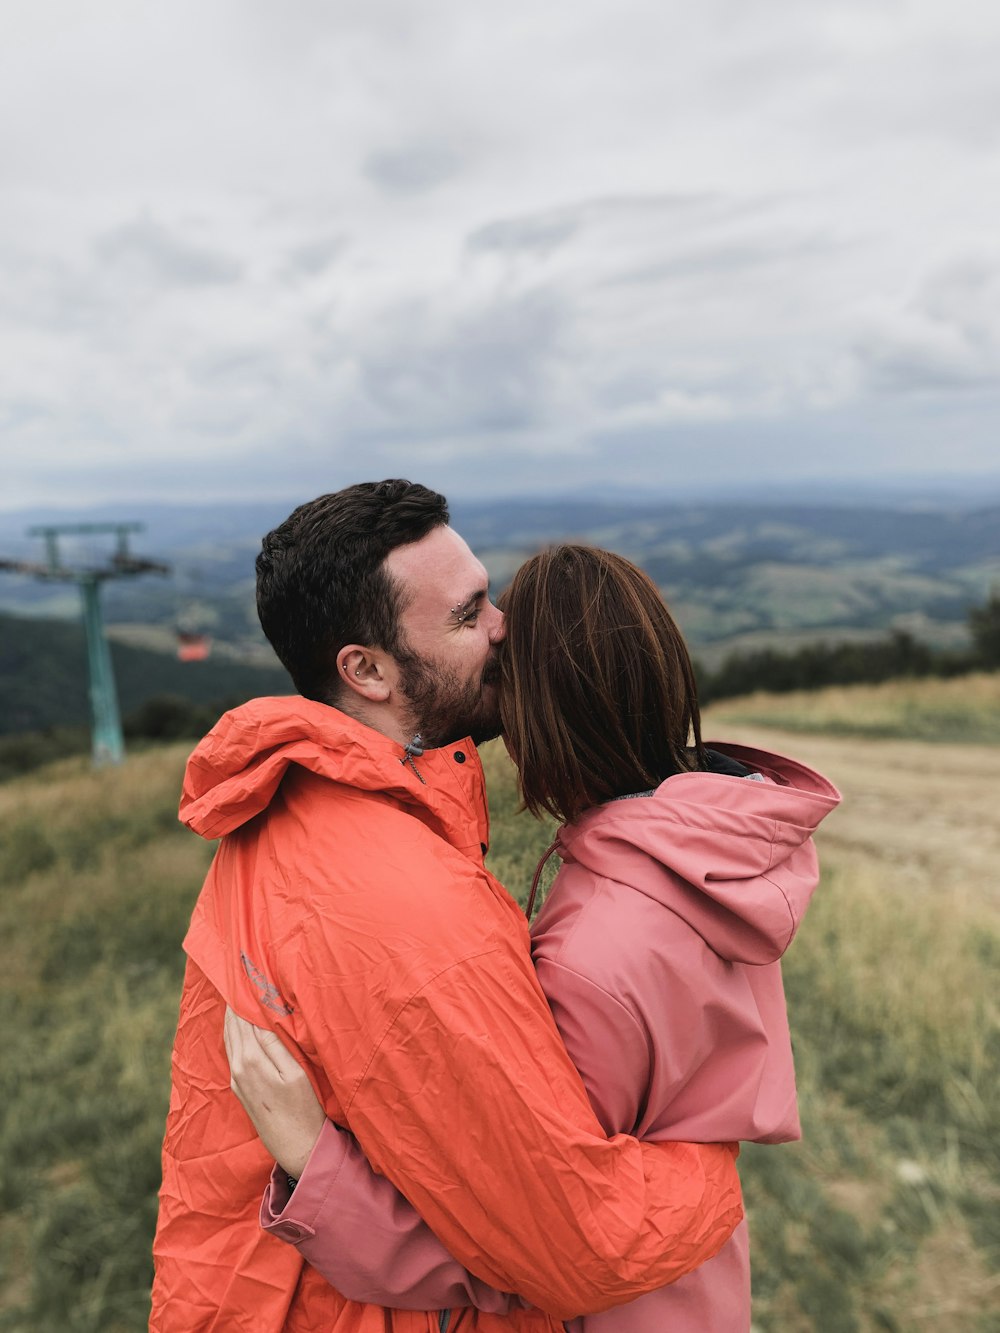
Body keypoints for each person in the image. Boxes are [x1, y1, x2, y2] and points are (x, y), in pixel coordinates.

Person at [150, 482, 744, 1333]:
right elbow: (584, 1247)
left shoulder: (289, 808)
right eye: (468, 616)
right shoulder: (407, 911)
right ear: (367, 669)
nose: (506, 626)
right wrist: (712, 1151)